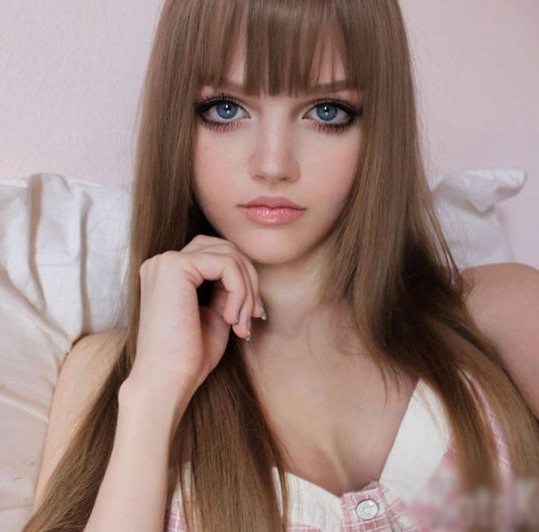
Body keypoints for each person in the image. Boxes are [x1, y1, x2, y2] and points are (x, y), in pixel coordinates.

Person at [24, 0, 539, 530]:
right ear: (178, 120)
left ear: (379, 126)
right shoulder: (110, 379)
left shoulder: (503, 313)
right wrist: (154, 394)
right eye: (226, 109)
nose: (273, 165)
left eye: (327, 112)